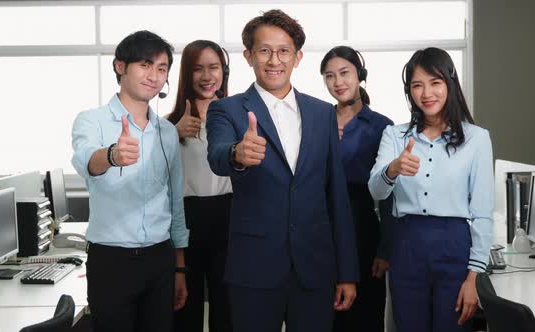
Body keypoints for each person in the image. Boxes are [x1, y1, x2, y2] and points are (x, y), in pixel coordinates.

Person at [206, 9, 359, 332]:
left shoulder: (322, 114)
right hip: (254, 268)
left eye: (284, 50)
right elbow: (217, 156)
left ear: (298, 56)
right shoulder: (227, 109)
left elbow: (336, 197)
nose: (274, 60)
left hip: (315, 268)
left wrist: (347, 271)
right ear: (248, 56)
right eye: (264, 50)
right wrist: (238, 153)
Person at [368, 47, 494, 332]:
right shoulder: (395, 136)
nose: (427, 93)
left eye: (435, 83)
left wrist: (474, 278)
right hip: (406, 247)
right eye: (417, 85)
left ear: (449, 84)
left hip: (455, 246)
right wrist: (394, 168)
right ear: (409, 91)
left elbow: (483, 212)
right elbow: (376, 191)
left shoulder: (476, 139)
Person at [71, 30, 189, 332]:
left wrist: (179, 268)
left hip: (160, 258)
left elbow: (175, 201)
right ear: (120, 66)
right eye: (145, 64)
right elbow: (86, 161)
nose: (154, 75)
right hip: (112, 261)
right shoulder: (91, 120)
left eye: (162, 69)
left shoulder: (166, 132)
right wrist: (111, 155)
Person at [320, 46, 395, 332]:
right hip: (321, 231)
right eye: (329, 76)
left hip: (363, 229)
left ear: (360, 76)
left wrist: (385, 248)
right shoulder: (317, 121)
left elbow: (390, 195)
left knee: (364, 316)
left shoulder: (381, 127)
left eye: (344, 73)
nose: (337, 82)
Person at [167, 40, 233, 332]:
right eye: (198, 69)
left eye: (214, 67)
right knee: (185, 310)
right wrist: (172, 133)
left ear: (224, 71)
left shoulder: (237, 117)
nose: (207, 76)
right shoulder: (168, 125)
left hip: (229, 217)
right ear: (186, 74)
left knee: (227, 310)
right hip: (187, 220)